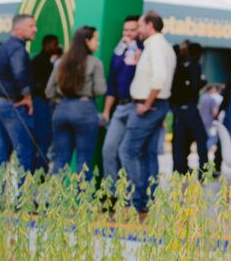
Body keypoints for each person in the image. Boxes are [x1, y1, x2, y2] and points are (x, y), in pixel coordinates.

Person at [120, 11, 176, 216]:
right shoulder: (163, 45)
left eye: (140, 26)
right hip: (157, 105)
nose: (138, 30)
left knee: (128, 151)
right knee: (148, 154)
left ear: (150, 25)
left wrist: (146, 104)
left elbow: (159, 78)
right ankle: (147, 201)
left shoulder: (155, 46)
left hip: (148, 106)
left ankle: (133, 202)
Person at [45, 25, 106, 175]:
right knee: (83, 161)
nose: (98, 43)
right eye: (96, 39)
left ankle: (54, 191)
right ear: (87, 41)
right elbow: (100, 90)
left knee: (61, 159)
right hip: (84, 110)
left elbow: (49, 91)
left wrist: (60, 99)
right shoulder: (95, 62)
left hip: (62, 109)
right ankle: (81, 191)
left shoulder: (61, 62)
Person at [0, 14, 38, 181]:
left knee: (1, 153)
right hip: (14, 105)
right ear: (17, 29)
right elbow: (20, 72)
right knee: (25, 152)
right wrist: (27, 96)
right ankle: (24, 195)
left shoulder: (0, 49)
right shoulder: (18, 48)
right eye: (31, 26)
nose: (35, 29)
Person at [101, 16, 143, 189]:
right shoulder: (118, 51)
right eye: (126, 30)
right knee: (108, 149)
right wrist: (106, 111)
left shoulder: (143, 49)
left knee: (126, 152)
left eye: (132, 30)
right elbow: (112, 82)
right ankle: (110, 193)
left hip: (136, 106)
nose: (128, 33)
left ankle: (131, 194)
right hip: (120, 106)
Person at [171, 41, 208, 177]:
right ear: (198, 54)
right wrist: (202, 83)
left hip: (179, 108)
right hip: (189, 107)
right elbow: (195, 85)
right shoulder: (194, 65)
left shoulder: (180, 64)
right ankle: (203, 172)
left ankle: (178, 170)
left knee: (180, 140)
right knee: (201, 137)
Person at [30, 34, 61, 173]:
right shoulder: (42, 62)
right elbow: (40, 85)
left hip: (41, 101)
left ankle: (38, 170)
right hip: (40, 102)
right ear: (47, 45)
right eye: (55, 44)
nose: (57, 47)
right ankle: (40, 171)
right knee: (43, 137)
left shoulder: (45, 61)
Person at [198, 84, 223, 159]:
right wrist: (217, 120)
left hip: (201, 121)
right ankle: (205, 150)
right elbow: (215, 112)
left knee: (204, 138)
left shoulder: (202, 97)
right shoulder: (213, 99)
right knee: (213, 138)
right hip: (210, 122)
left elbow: (199, 107)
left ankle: (203, 152)